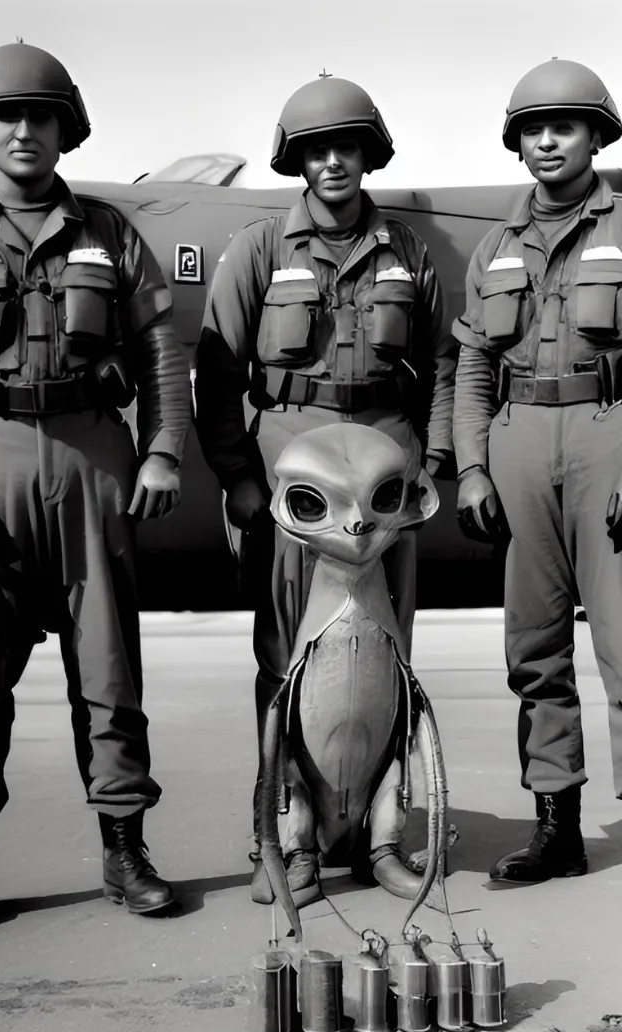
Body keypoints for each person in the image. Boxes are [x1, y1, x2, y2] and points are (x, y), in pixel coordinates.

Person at [194, 74, 456, 905]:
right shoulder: (260, 248)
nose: (332, 161)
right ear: (296, 160)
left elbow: (442, 372)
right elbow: (216, 369)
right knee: (284, 662)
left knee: (389, 660)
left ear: (368, 152)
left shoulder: (408, 254)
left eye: (346, 145)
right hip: (291, 473)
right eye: (316, 148)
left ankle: (384, 836)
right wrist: (238, 476)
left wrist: (433, 465)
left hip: (383, 474)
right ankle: (291, 837)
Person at [451, 58, 622, 912]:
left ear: (598, 134)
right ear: (517, 143)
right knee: (534, 654)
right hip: (519, 444)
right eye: (533, 128)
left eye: (564, 125)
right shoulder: (494, 245)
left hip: (605, 434)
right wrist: (475, 465)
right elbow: (473, 368)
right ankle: (556, 830)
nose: (547, 140)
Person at [0, 43, 192, 936]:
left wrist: (162, 451)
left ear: (65, 130)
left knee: (107, 669)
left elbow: (160, 356)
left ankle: (125, 849)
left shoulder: (108, 231)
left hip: (95, 460)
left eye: (41, 116)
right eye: (6, 116)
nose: (24, 131)